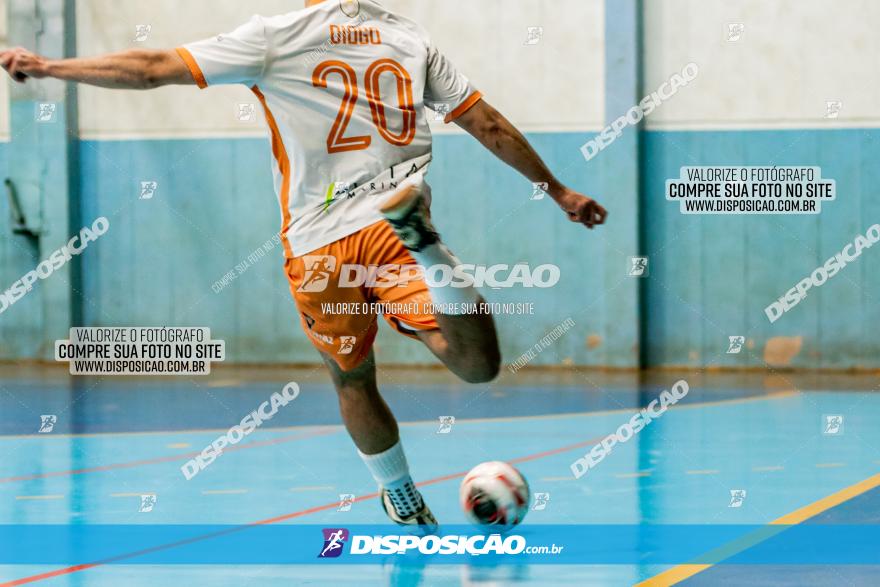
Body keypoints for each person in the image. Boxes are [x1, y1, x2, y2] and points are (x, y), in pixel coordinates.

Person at [0, 0, 606, 528]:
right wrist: (557, 190)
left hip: (318, 246)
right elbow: (486, 122)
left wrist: (50, 66)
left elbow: (153, 68)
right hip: (392, 234)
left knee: (351, 378)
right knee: (476, 367)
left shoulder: (275, 34)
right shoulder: (411, 38)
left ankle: (398, 495)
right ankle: (427, 247)